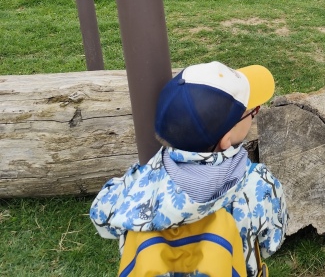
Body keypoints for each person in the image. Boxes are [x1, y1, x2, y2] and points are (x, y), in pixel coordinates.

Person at [89, 61, 288, 277]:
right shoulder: (258, 183)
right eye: (252, 112)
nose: (254, 113)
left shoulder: (140, 181)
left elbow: (100, 217)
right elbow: (271, 242)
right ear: (225, 139)